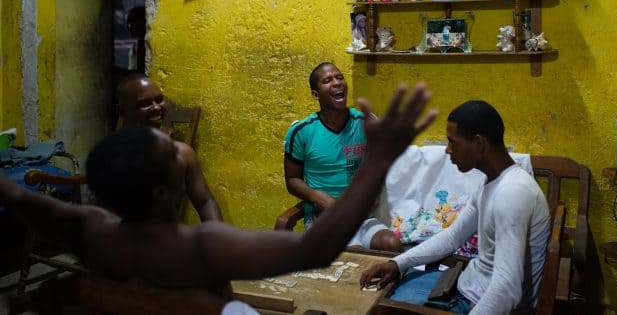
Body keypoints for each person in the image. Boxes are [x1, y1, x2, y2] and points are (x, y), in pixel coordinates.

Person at [0, 84, 436, 301]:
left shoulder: (90, 230)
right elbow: (316, 248)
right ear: (162, 193)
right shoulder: (200, 249)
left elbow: (19, 198)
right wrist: (380, 157)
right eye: (176, 168)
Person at [360, 100, 550, 314]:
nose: (448, 150)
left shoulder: (512, 193)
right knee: (371, 298)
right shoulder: (491, 182)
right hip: (462, 285)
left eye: (453, 142)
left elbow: (507, 290)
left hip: (474, 303)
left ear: (479, 143)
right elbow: (453, 236)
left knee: (374, 308)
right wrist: (397, 263)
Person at [284, 63, 404, 252]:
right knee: (353, 254)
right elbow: (292, 180)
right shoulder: (302, 131)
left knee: (392, 245)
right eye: (327, 80)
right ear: (316, 94)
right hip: (323, 219)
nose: (337, 83)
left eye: (339, 77)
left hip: (361, 217)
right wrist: (320, 198)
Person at [116, 74, 223, 222]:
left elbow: (205, 201)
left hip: (167, 237)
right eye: (144, 103)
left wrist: (215, 236)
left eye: (159, 99)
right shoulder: (112, 154)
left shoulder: (182, 153)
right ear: (123, 111)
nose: (156, 107)